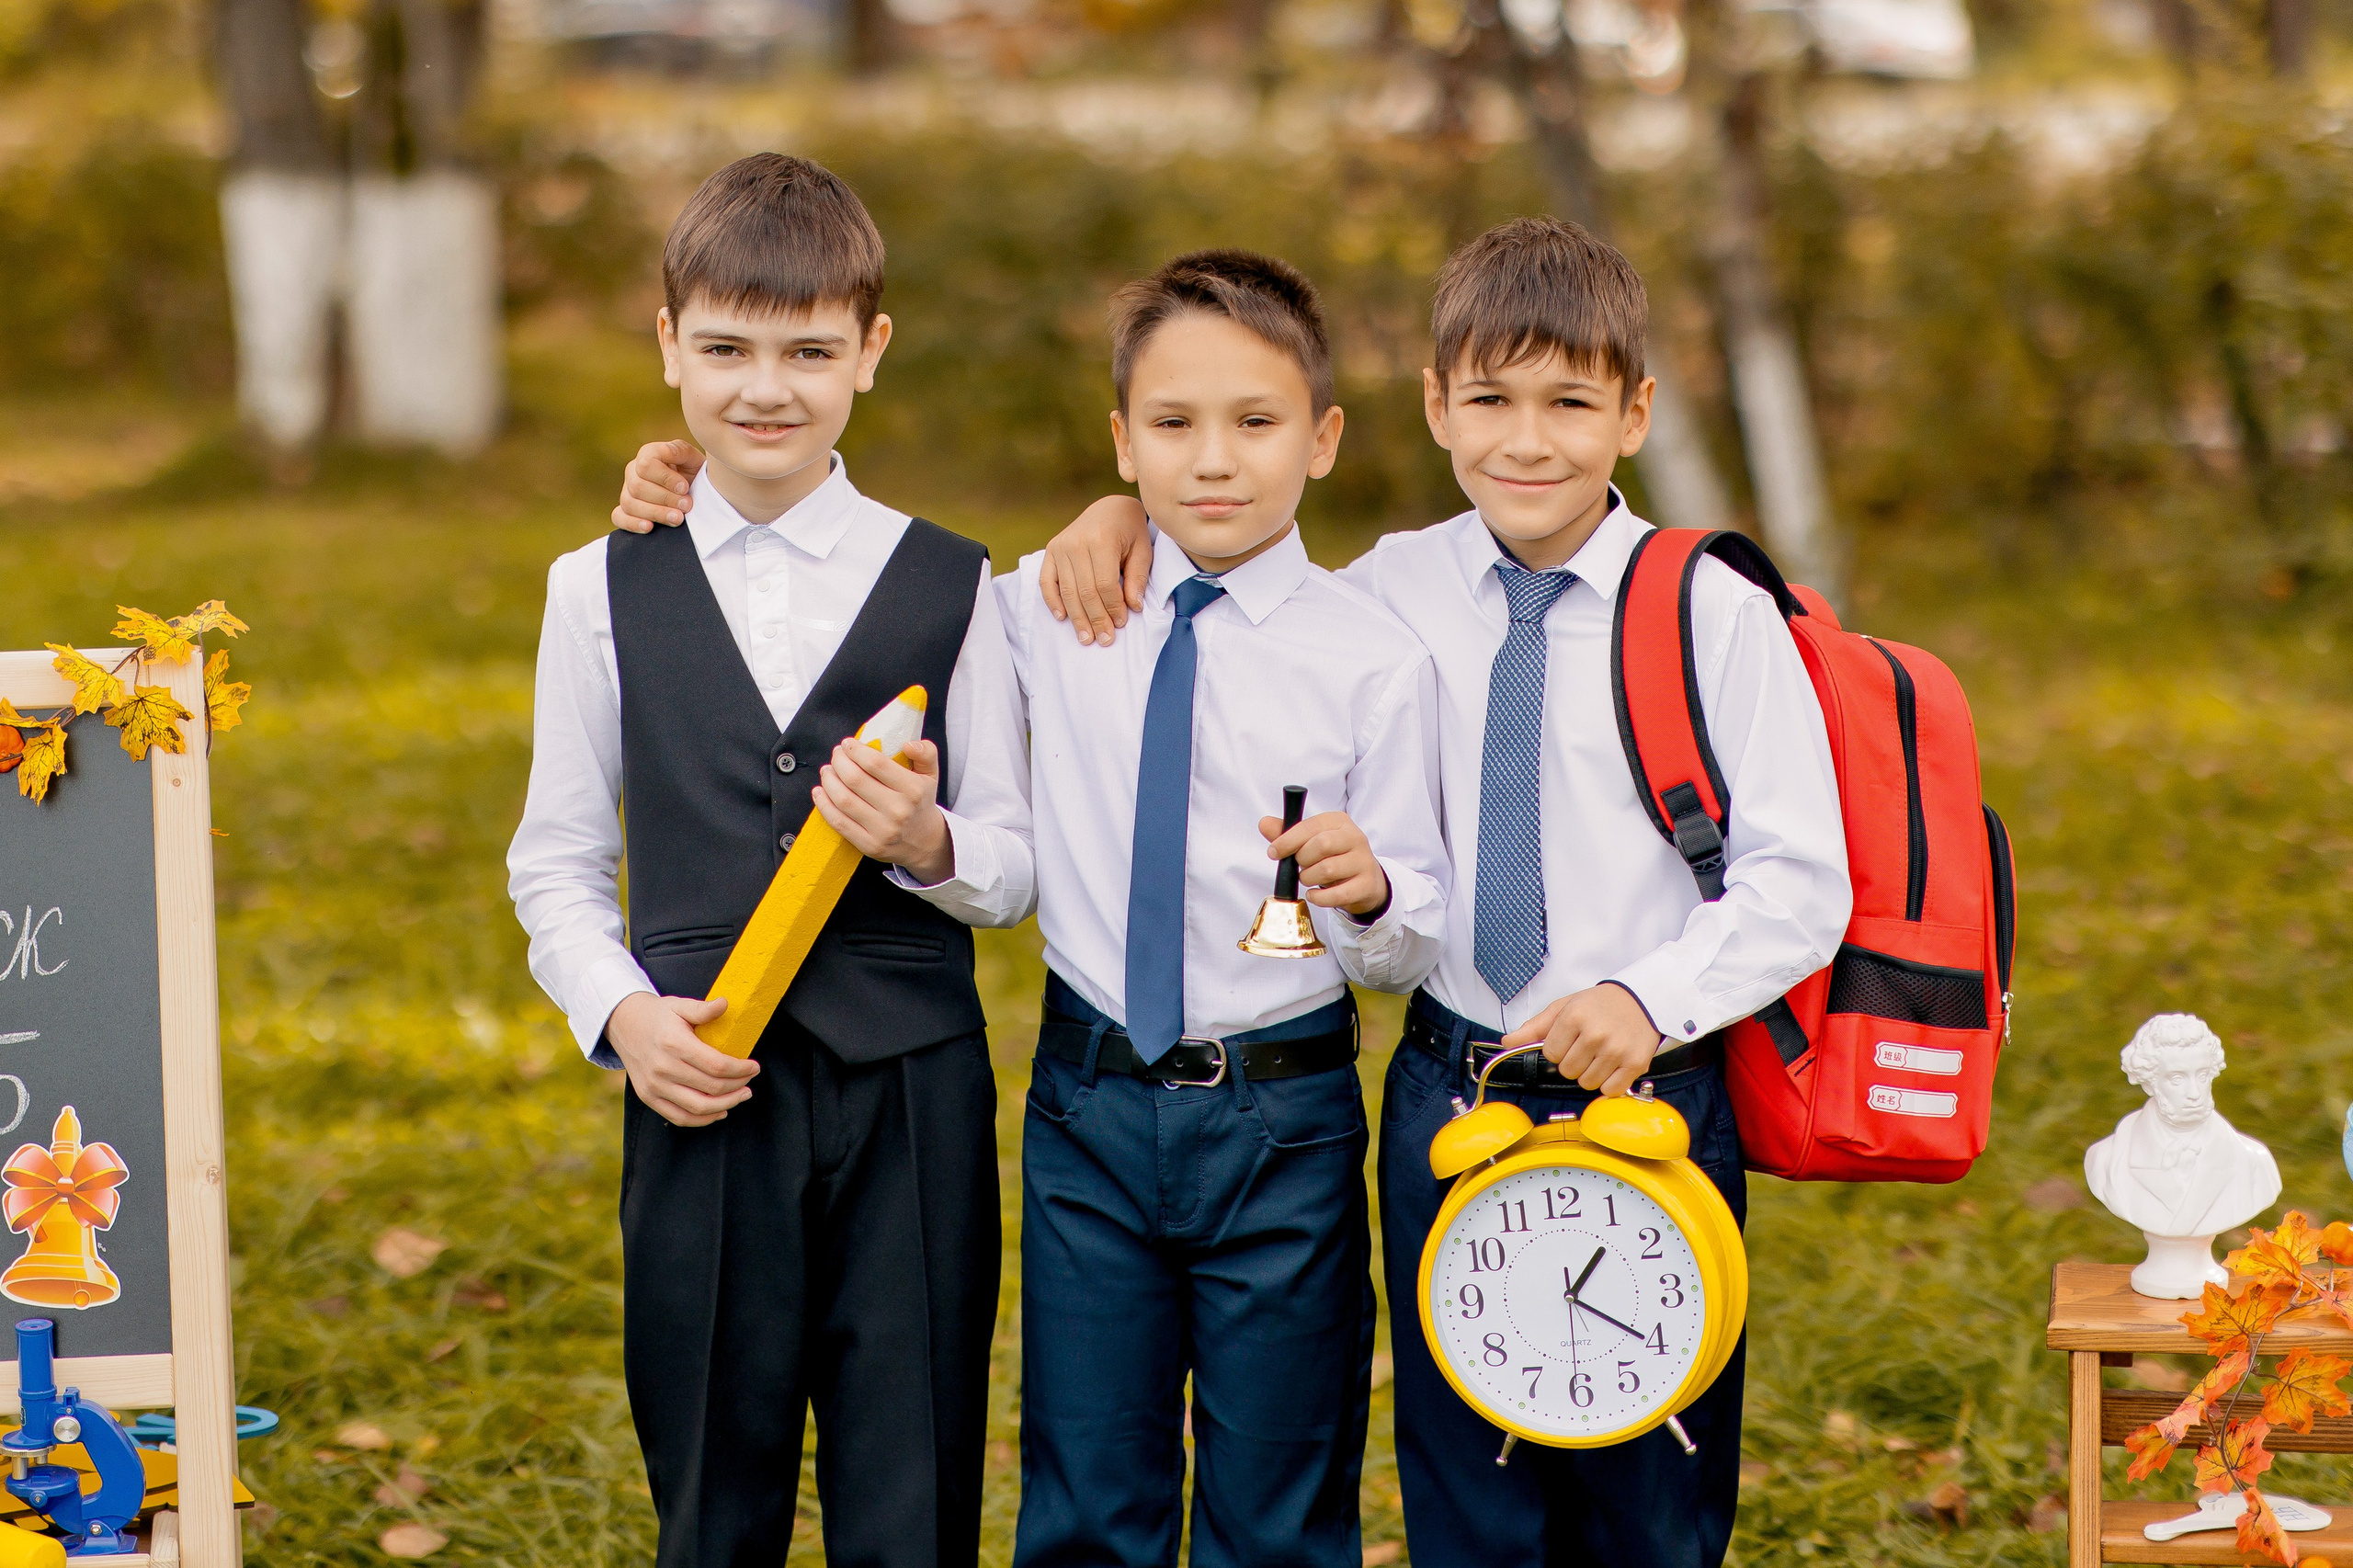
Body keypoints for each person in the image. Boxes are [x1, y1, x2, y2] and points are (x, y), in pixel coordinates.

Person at [1011, 217, 1851, 1567]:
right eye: (1490, 400)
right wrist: (1117, 517)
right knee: (1468, 1483)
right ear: (1433, 407)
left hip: (1649, 1090)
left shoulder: (1710, 612)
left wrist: (1649, 995)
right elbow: (1238, 590)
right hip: (1455, 1088)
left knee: (1652, 1495)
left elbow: (1803, 878)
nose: (1528, 440)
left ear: (1635, 412)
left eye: (1571, 402)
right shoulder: (1394, 587)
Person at [616, 247, 1449, 1567]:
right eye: (1172, 427)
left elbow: (1409, 945)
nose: (1213, 462)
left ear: (1326, 438)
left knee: (1282, 1501)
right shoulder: (1039, 615)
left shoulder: (1376, 660)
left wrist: (1376, 891)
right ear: (1122, 441)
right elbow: (851, 607)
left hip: (1283, 1113)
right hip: (1088, 1109)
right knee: (1084, 1491)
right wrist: (680, 485)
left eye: (1255, 423)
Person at [507, 153, 1035, 1568]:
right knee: (709, 1476)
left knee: (910, 1477)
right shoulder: (596, 585)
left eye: (809, 351)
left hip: (910, 1088)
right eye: (727, 348)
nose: (766, 389)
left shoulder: (953, 582)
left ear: (870, 352)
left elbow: (1012, 861)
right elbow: (554, 858)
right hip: (700, 1079)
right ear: (667, 342)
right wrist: (620, 1017)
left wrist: (925, 842)